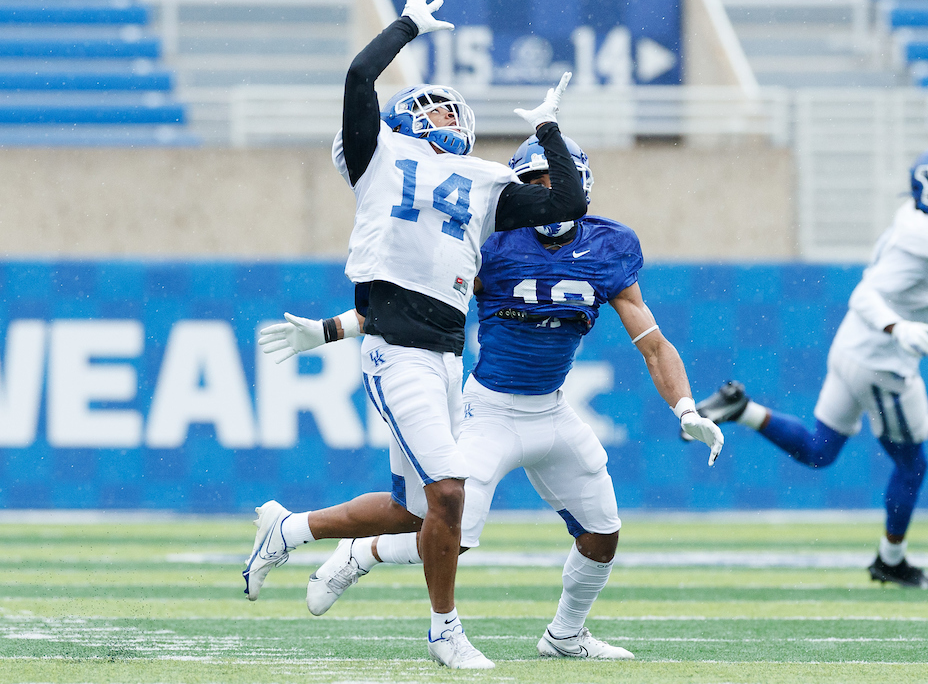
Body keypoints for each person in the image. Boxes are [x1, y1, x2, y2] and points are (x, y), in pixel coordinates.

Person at [257, 134, 724, 660]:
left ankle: (565, 635)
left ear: (579, 184)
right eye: (533, 183)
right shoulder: (490, 240)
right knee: (448, 534)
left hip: (553, 410)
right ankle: (362, 553)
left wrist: (686, 409)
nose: (545, 192)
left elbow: (654, 344)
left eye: (554, 181)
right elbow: (412, 307)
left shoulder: (609, 245)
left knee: (602, 534)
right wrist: (330, 330)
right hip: (489, 411)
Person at [241, 0, 588, 670]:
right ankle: (443, 632)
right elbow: (358, 76)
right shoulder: (377, 157)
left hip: (445, 357)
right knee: (450, 493)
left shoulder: (484, 183)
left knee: (414, 512)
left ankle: (289, 528)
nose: (444, 115)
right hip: (395, 356)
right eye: (430, 107)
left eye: (451, 108)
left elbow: (567, 204)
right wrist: (406, 27)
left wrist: (548, 128)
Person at [695, 144, 928, 589]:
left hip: (852, 348)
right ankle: (891, 560)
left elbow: (918, 289)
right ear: (924, 189)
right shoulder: (927, 237)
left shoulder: (922, 225)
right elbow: (866, 294)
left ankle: (741, 408)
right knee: (913, 465)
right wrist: (898, 328)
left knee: (819, 450)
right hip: (882, 364)